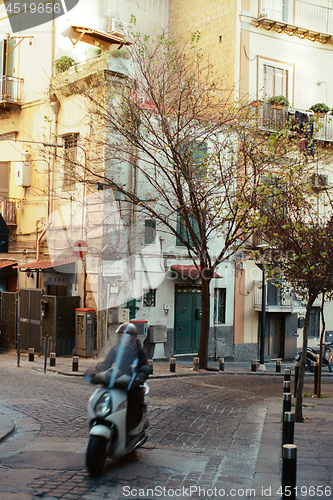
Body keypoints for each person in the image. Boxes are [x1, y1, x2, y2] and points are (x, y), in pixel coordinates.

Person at [85, 322, 149, 435]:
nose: (123, 339)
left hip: (131, 382)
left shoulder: (139, 351)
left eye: (126, 336)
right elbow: (106, 364)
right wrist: (96, 371)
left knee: (133, 398)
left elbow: (144, 367)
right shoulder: (115, 349)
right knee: (102, 393)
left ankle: (131, 428)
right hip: (118, 380)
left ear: (133, 338)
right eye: (121, 336)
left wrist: (140, 376)